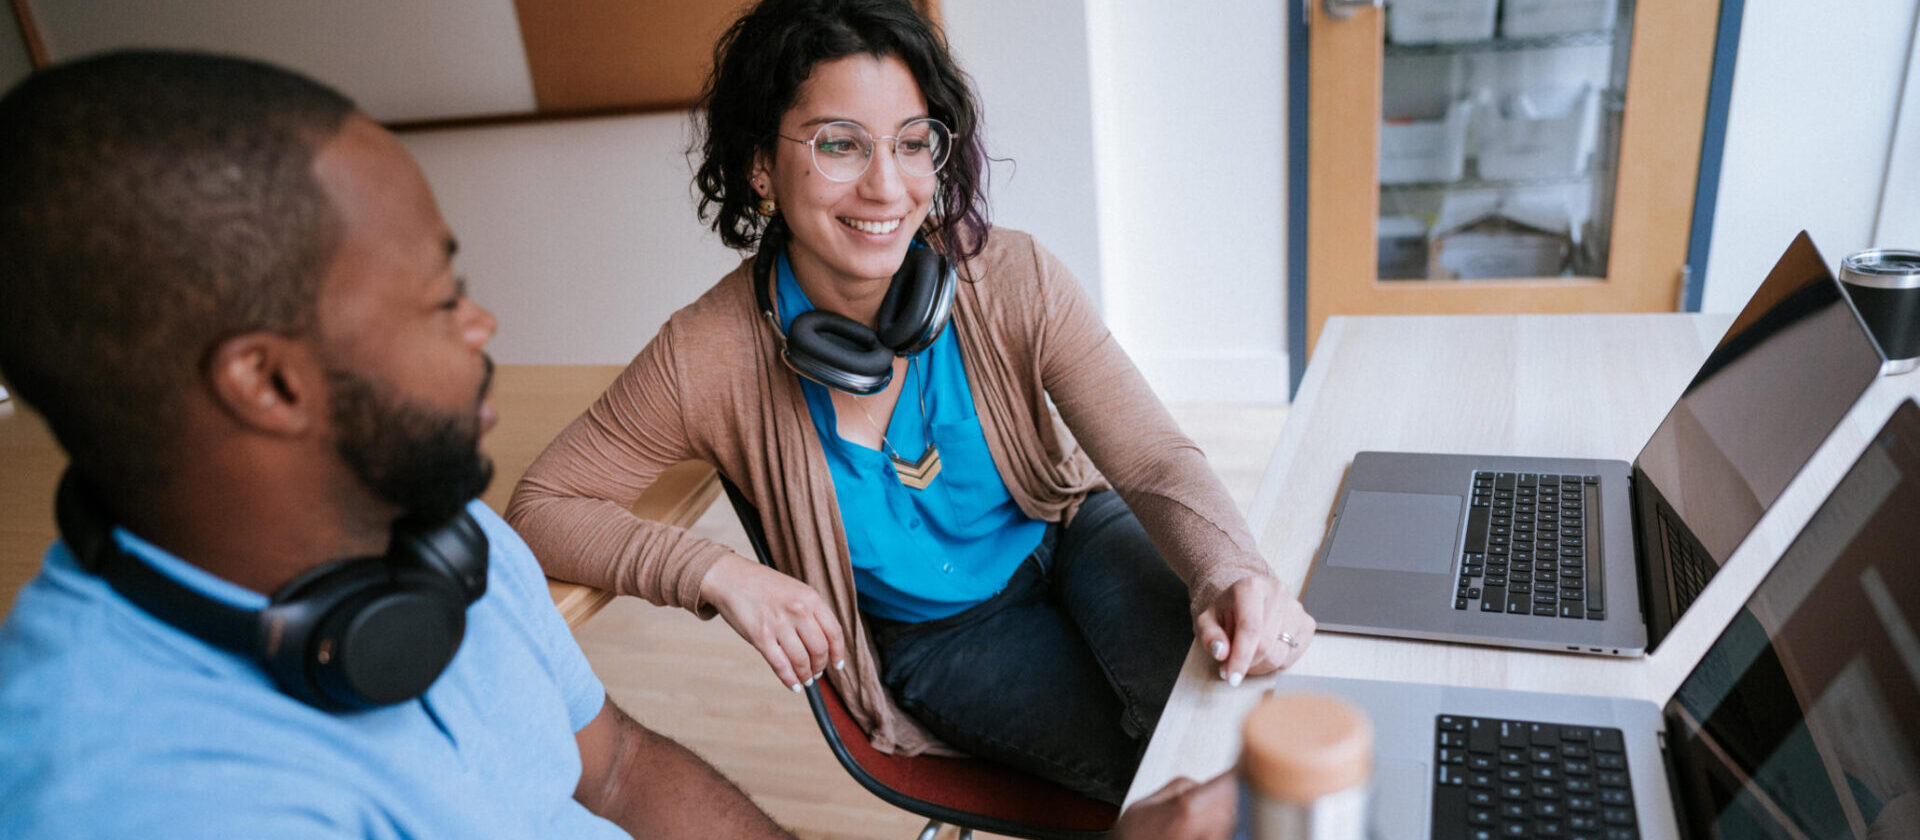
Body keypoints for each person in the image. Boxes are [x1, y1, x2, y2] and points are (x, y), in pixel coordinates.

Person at [507, 0, 1317, 807]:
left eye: (911, 142)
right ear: (761, 164)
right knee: (1170, 789)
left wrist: (1230, 571)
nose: (887, 185)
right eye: (838, 145)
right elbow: (542, 506)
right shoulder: (707, 355)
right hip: (944, 636)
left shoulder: (1012, 277)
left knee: (1232, 715)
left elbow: (1149, 456)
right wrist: (716, 572)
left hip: (1071, 537)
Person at [0, 51, 792, 839]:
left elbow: (618, 769)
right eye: (441, 301)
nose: (482, 328)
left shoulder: (434, 525)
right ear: (269, 383)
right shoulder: (127, 798)